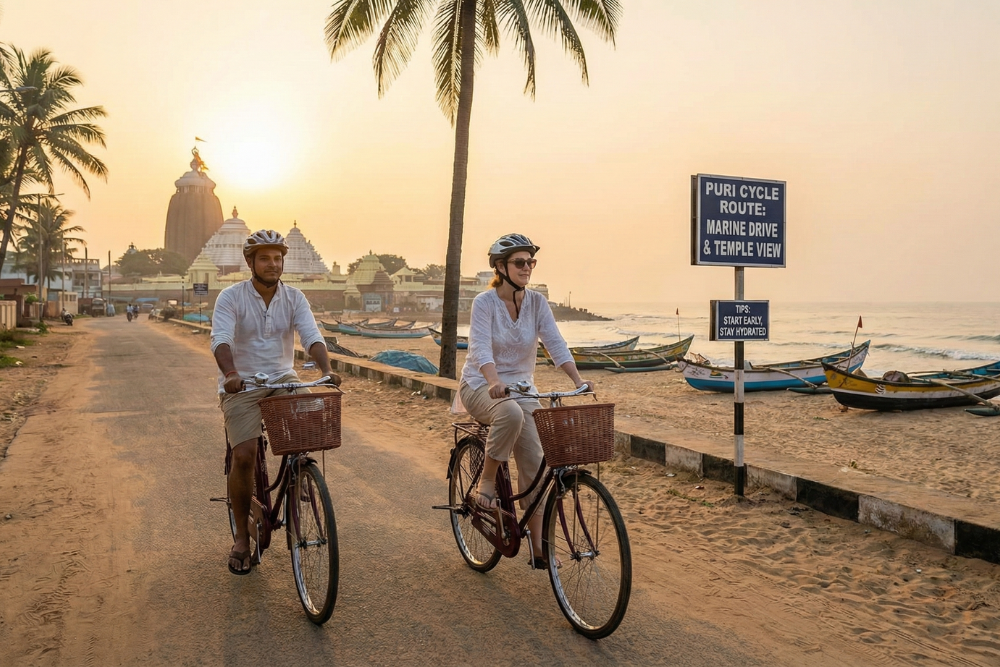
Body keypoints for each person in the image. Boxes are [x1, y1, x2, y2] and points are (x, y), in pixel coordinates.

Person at [458, 233, 593, 569]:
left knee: (536, 464)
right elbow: (479, 350)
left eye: (531, 262)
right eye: (520, 262)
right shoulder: (484, 303)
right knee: (511, 415)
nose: (527, 267)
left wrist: (578, 380)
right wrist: (492, 380)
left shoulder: (536, 303)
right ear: (501, 267)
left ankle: (539, 547)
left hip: (522, 389)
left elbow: (555, 343)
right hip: (480, 386)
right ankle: (487, 483)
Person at [210, 229, 341, 575]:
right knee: (244, 455)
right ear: (250, 262)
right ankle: (241, 537)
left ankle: (299, 477)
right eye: (265, 258)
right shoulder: (230, 297)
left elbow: (311, 336)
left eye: (278, 258)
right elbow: (220, 340)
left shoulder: (295, 298)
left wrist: (327, 369)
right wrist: (230, 374)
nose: (273, 264)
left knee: (310, 425)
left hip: (284, 379)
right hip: (244, 384)